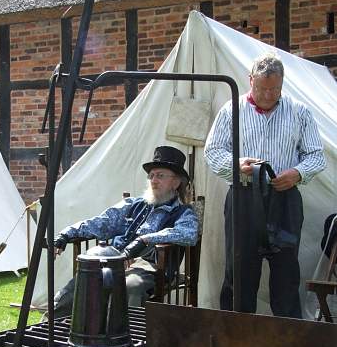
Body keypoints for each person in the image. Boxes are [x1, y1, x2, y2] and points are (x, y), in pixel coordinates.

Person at [204, 52, 326, 318]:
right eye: (262, 88)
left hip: (284, 200)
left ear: (282, 84)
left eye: (275, 89)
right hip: (244, 198)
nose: (269, 95)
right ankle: (235, 337)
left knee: (286, 273)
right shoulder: (231, 110)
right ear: (250, 81)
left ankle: (286, 341)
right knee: (239, 271)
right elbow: (213, 152)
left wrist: (297, 173)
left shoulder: (299, 111)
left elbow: (316, 155)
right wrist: (237, 164)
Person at [51, 145, 198, 317]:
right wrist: (67, 234)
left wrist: (145, 240)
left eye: (160, 175)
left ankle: (129, 338)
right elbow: (101, 223)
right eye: (151, 176)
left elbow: (189, 234)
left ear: (176, 182)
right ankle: (50, 329)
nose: (153, 180)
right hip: (114, 261)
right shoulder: (132, 205)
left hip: (151, 268)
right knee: (84, 279)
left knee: (131, 287)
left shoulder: (183, 212)